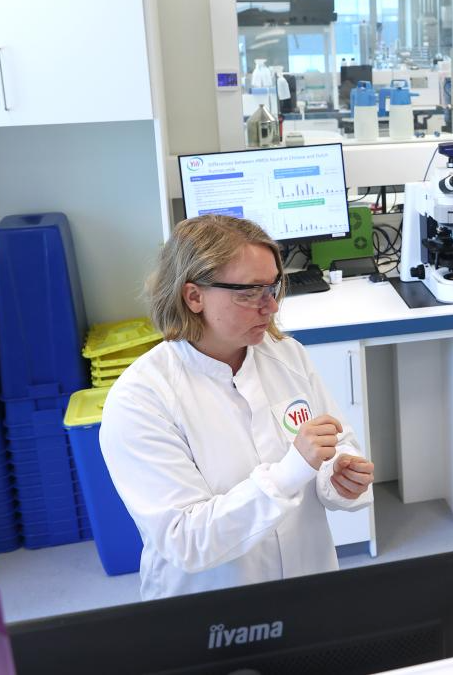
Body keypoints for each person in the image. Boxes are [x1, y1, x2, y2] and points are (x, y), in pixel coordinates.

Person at [100, 215, 374, 600]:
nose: (271, 306)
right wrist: (292, 470)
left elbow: (336, 445)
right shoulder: (141, 399)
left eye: (273, 287)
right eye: (249, 292)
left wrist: (339, 476)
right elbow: (186, 541)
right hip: (212, 606)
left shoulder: (287, 355)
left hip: (308, 584)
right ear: (193, 296)